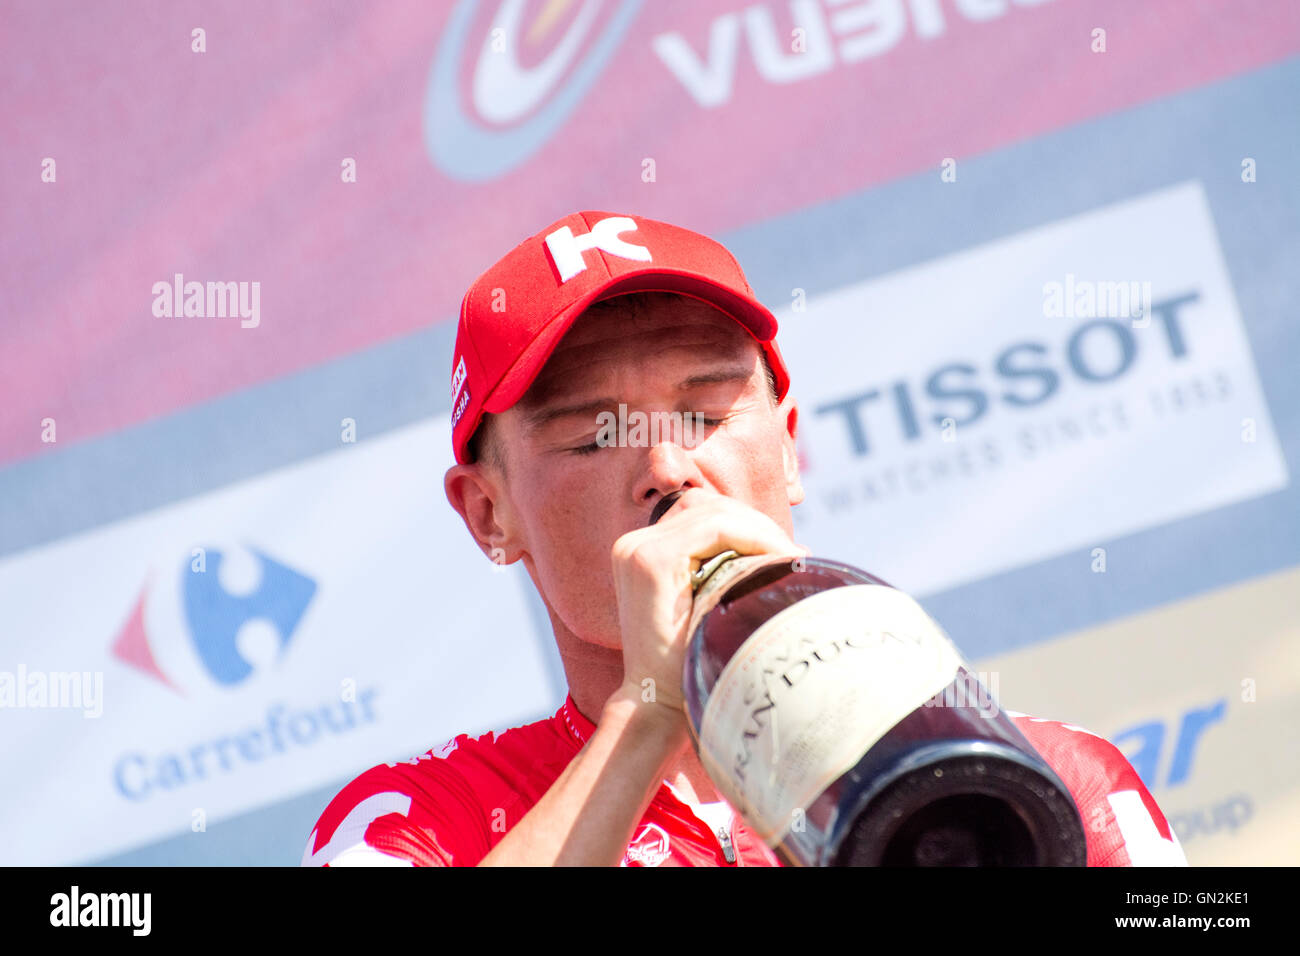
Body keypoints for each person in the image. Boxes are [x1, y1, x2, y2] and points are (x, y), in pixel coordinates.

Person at [302, 211, 1187, 867]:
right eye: (589, 436)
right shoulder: (418, 818)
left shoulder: (1041, 782)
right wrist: (648, 715)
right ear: (488, 514)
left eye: (705, 412)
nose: (667, 468)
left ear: (789, 445)